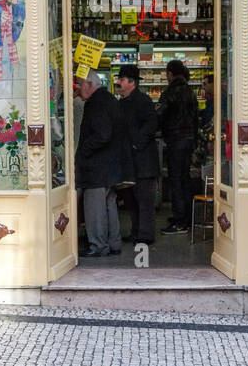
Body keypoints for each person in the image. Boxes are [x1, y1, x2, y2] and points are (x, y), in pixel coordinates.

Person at [75, 71, 132, 257]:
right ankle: (114, 243)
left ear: (89, 85)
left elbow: (102, 134)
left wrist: (84, 150)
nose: (77, 89)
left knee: (95, 208)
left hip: (97, 167)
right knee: (110, 204)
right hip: (112, 166)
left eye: (79, 85)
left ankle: (98, 245)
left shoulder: (96, 103)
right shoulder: (110, 99)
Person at [116, 65, 159, 245]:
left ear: (131, 82)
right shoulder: (123, 102)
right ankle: (136, 232)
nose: (118, 82)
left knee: (144, 200)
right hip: (130, 161)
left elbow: (152, 124)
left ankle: (145, 234)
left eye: (122, 79)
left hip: (143, 161)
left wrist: (136, 143)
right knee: (131, 200)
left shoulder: (142, 101)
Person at [156, 58, 198, 235]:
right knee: (184, 179)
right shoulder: (189, 91)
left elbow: (161, 114)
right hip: (188, 140)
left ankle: (180, 222)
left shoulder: (171, 91)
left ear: (169, 74)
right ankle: (186, 217)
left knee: (176, 180)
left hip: (176, 139)